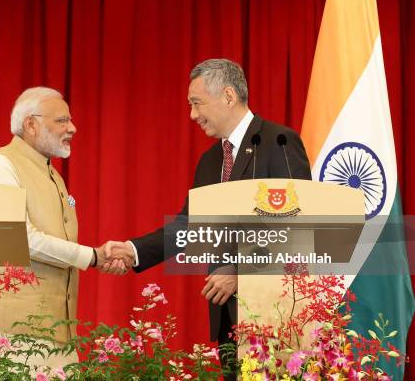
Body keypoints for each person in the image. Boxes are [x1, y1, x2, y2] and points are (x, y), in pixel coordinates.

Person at [102, 59, 312, 378]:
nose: (192, 115)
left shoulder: (278, 141)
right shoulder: (210, 161)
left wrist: (243, 272)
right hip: (227, 319)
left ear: (228, 96)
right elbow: (189, 227)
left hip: (277, 316)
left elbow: (302, 226)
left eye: (196, 103)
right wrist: (133, 250)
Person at [0, 86, 117, 367]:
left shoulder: (52, 174)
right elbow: (21, 238)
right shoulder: (1, 164)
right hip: (12, 335)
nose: (73, 128)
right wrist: (91, 256)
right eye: (62, 120)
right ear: (31, 124)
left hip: (56, 333)